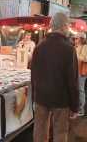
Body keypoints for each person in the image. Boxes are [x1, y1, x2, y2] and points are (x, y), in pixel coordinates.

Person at [31, 12, 79, 142]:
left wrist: (33, 97)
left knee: (40, 130)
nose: (68, 28)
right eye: (67, 26)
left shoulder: (39, 46)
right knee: (60, 132)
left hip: (41, 97)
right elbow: (73, 81)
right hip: (61, 99)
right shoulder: (69, 49)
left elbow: (33, 75)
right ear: (64, 27)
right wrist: (75, 106)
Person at [75, 32, 87, 116]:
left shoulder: (85, 46)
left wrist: (76, 55)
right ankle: (78, 107)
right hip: (76, 71)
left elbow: (85, 58)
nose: (75, 40)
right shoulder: (76, 47)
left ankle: (82, 110)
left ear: (81, 39)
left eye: (77, 38)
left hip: (81, 72)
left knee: (81, 90)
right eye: (75, 38)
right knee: (78, 90)